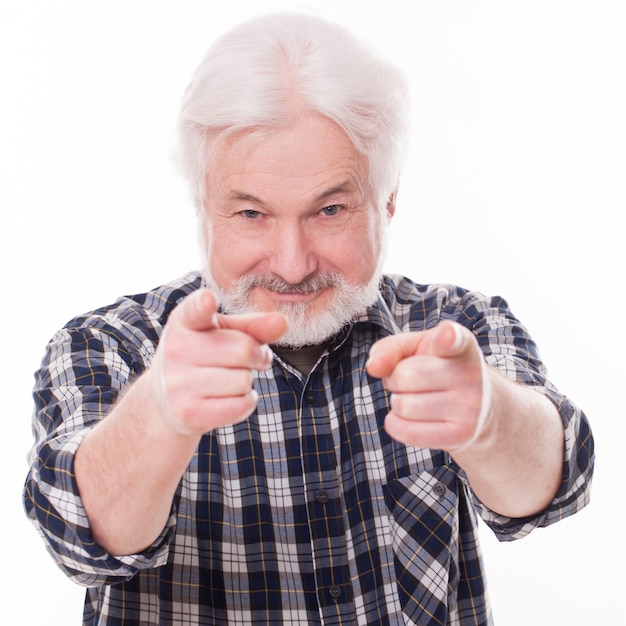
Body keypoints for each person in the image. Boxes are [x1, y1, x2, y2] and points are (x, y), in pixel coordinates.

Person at [23, 12, 594, 626]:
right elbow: (77, 535)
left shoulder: (453, 327)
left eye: (329, 209)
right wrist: (159, 414)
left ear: (388, 199)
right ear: (203, 207)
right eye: (251, 214)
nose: (293, 266)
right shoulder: (109, 345)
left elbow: (555, 485)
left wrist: (489, 418)